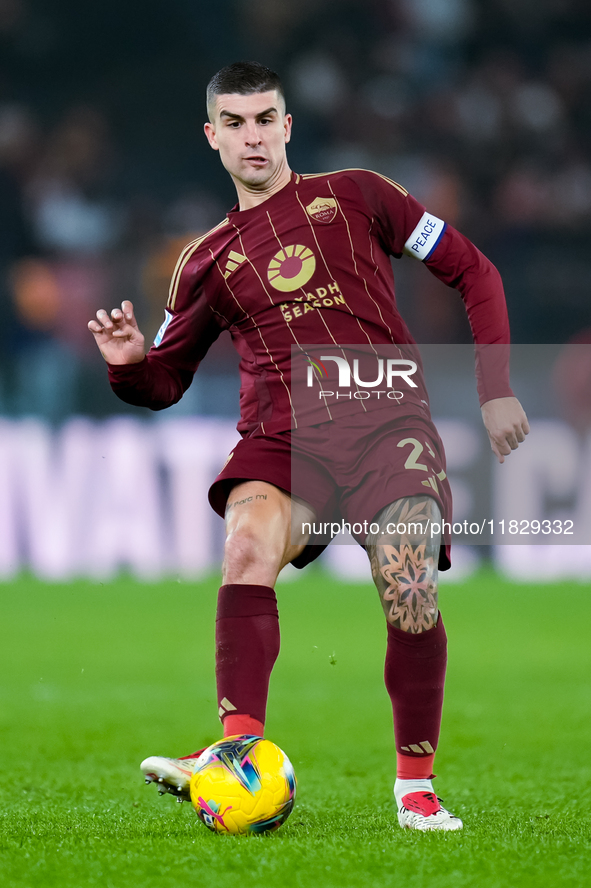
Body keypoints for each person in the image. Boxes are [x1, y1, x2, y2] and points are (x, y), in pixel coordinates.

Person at [88, 61, 529, 831]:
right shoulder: (203, 262)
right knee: (248, 542)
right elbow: (163, 383)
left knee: (409, 586)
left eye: (265, 119)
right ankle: (234, 752)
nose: (252, 136)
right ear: (212, 137)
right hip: (285, 438)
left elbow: (473, 270)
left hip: (388, 425)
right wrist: (128, 366)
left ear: (287, 126)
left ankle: (414, 787)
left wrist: (494, 388)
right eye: (235, 123)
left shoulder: (360, 194)